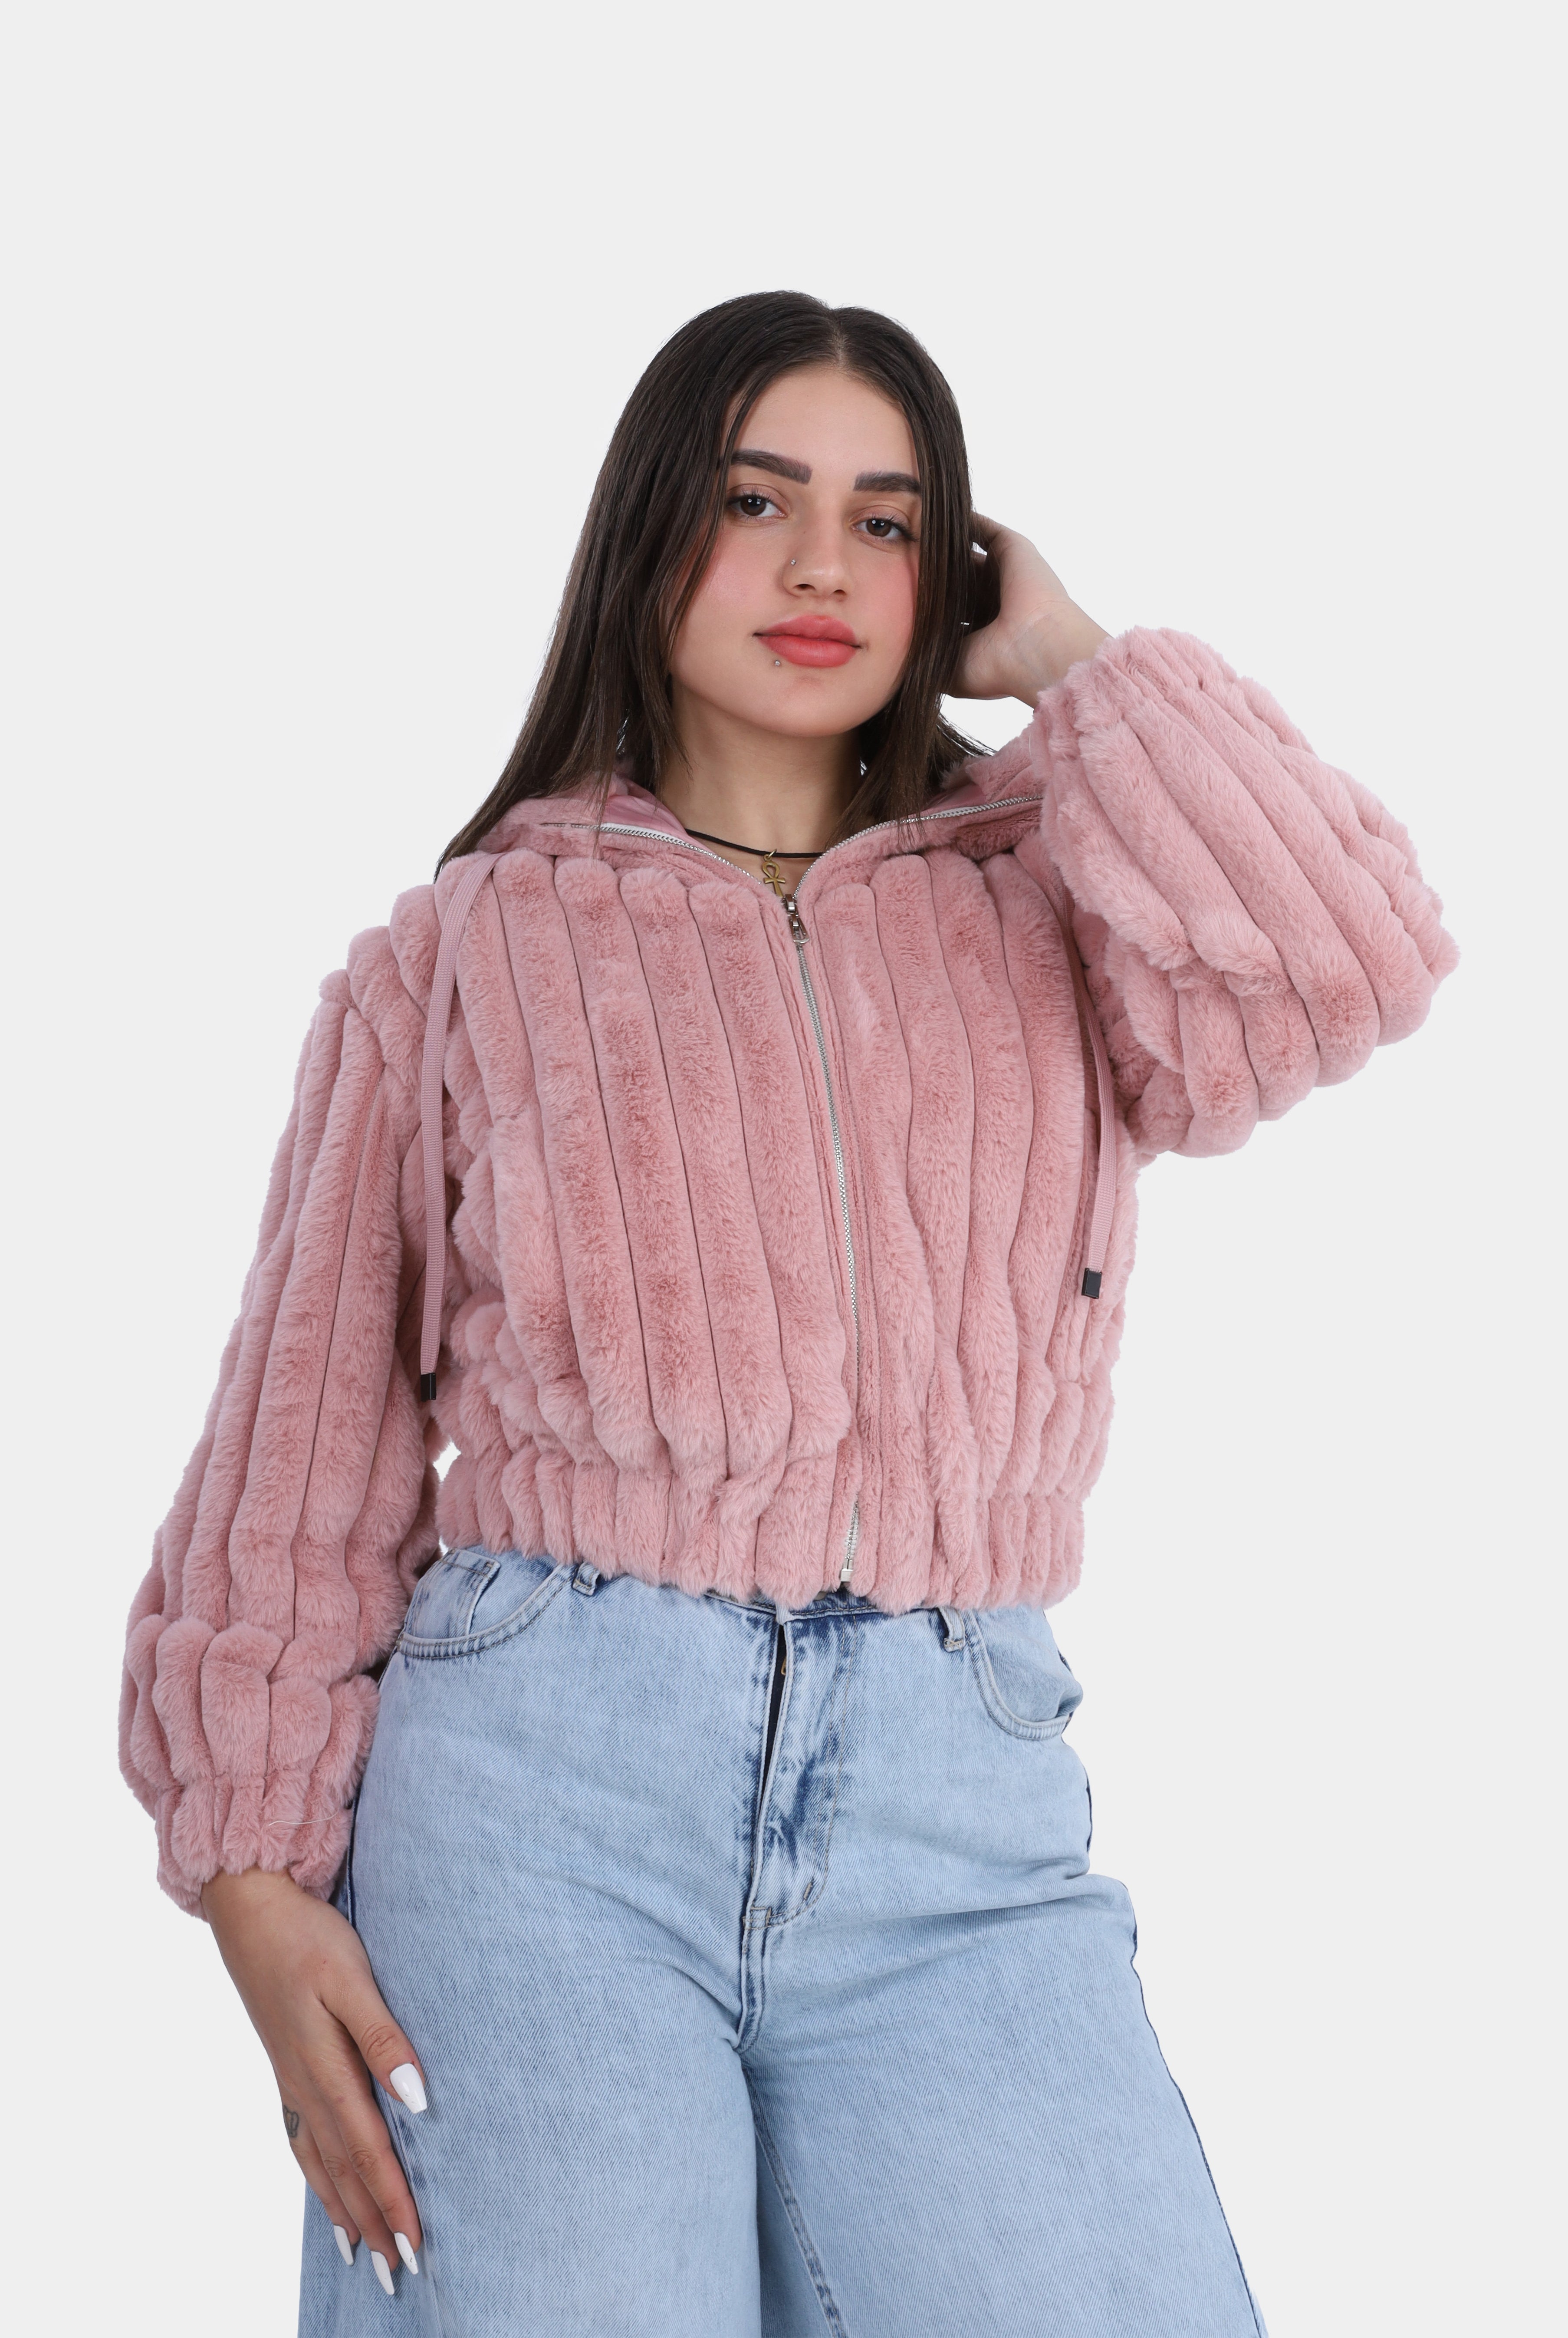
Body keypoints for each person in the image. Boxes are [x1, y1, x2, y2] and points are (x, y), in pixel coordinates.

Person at [120, 291, 1455, 2337]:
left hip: (961, 1820)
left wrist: (1077, 669)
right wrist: (252, 1884)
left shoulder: (1057, 900)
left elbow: (1345, 964)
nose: (824, 565)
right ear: (651, 526)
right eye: (757, 501)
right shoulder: (463, 950)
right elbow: (300, 1450)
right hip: (536, 1812)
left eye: (887, 521)